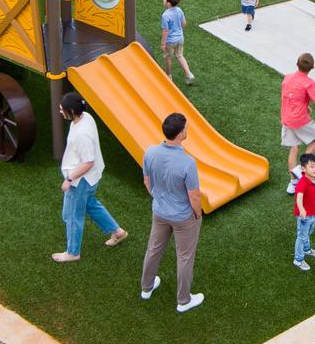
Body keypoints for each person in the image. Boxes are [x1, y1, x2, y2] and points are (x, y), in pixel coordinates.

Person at [140, 112, 205, 313]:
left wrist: (158, 199)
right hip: (183, 217)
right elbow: (194, 196)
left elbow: (147, 181)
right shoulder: (187, 163)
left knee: (154, 249)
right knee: (185, 257)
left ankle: (146, 288)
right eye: (185, 128)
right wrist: (197, 214)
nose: (187, 130)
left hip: (160, 212)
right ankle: (183, 300)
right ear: (179, 134)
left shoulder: (150, 152)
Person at [53, 92, 126, 262]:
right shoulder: (85, 117)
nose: (60, 111)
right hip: (90, 179)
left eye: (62, 109)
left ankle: (72, 253)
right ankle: (117, 232)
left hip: (81, 181)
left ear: (72, 110)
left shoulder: (82, 135)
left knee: (71, 215)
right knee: (90, 204)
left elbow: (88, 162)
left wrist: (69, 179)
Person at [281, 53, 315, 190]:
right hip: (300, 119)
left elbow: (288, 96)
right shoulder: (310, 83)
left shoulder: (287, 77)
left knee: (293, 148)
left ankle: (293, 183)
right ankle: (300, 168)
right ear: (312, 68)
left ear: (297, 64)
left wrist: (304, 105)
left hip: (286, 118)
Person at [292, 153, 315, 271]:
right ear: (303, 169)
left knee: (307, 233)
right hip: (305, 216)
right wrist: (302, 209)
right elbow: (298, 198)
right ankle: (298, 259)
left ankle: (306, 249)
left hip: (314, 213)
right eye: (312, 166)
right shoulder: (302, 183)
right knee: (301, 236)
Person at [159, 0, 194, 82]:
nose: (163, 0)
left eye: (165, 0)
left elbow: (165, 31)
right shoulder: (179, 10)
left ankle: (168, 76)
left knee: (168, 57)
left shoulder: (165, 15)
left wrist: (163, 44)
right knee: (179, 55)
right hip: (180, 38)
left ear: (169, 3)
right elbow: (184, 23)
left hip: (170, 41)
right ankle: (189, 74)